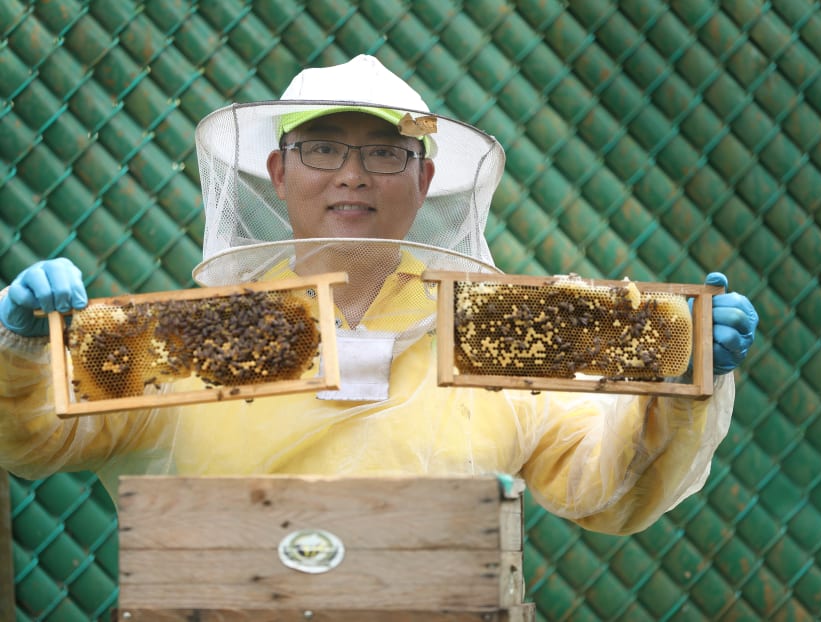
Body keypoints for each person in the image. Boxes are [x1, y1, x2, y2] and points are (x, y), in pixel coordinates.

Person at [0, 55, 758, 535]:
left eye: (384, 153)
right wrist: (24, 349)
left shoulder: (499, 328)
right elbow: (31, 438)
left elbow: (608, 489)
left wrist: (681, 378)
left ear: (425, 178)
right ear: (280, 171)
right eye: (323, 148)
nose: (353, 175)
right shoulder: (195, 337)